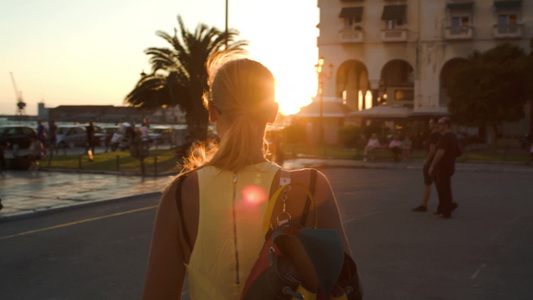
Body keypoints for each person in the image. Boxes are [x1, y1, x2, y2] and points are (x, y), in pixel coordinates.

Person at [142, 58, 357, 299]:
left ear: (212, 111)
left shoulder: (180, 194)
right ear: (273, 112)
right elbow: (347, 287)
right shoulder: (312, 187)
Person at [429, 117, 459, 219]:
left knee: (443, 189)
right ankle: (443, 208)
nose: (439, 125)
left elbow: (440, 152)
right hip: (449, 165)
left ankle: (446, 211)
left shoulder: (446, 137)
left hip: (443, 166)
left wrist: (432, 165)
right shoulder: (453, 136)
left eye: (441, 123)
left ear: (446, 125)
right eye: (438, 123)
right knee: (444, 188)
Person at [412, 119, 441, 212]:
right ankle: (447, 202)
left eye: (431, 123)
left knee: (428, 183)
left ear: (436, 125)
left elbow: (432, 150)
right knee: (437, 183)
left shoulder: (434, 135)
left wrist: (427, 161)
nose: (429, 125)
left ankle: (424, 205)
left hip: (431, 162)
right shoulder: (440, 135)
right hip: (437, 162)